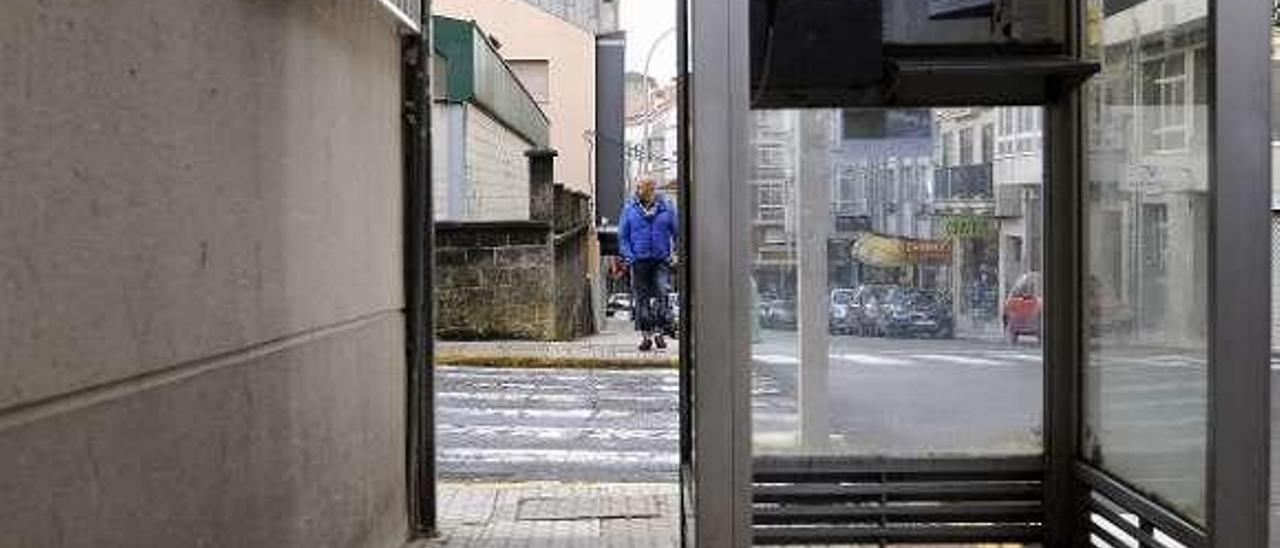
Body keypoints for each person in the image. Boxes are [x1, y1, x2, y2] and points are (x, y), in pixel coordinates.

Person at [618, 179, 678, 351]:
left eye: (644, 188)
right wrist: (630, 257)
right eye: (639, 188)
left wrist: (676, 254)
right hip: (639, 261)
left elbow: (677, 232)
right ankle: (646, 336)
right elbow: (623, 237)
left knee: (662, 292)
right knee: (641, 299)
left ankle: (659, 332)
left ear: (652, 190)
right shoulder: (630, 210)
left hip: (661, 259)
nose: (640, 191)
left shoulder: (666, 208)